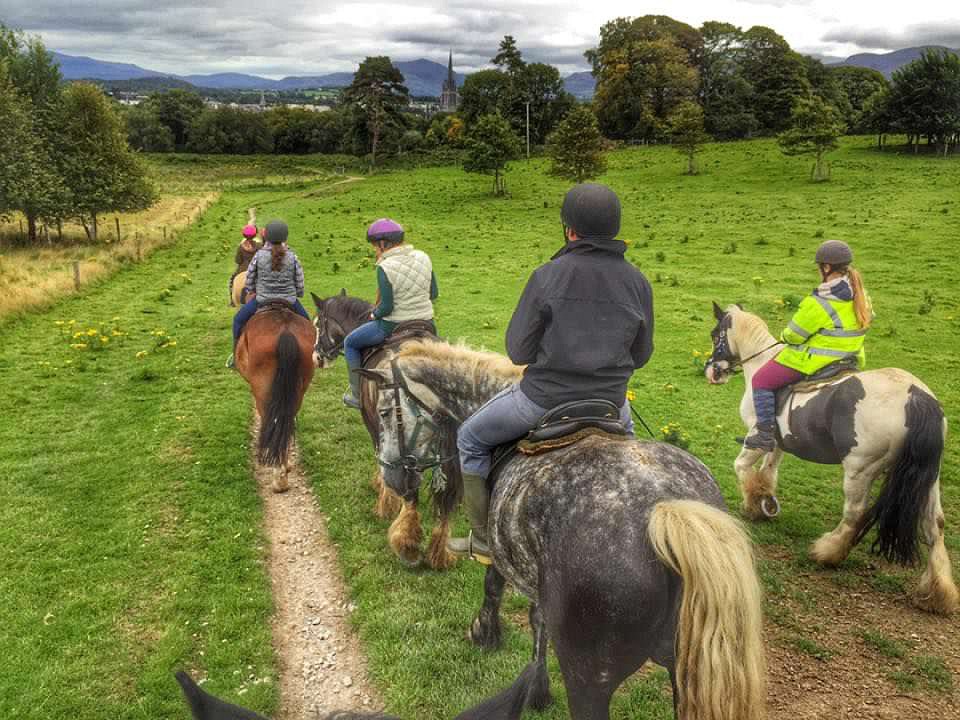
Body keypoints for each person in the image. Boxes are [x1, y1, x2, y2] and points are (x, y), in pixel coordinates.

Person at [448, 183, 654, 559]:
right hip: (611, 405)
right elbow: (641, 355)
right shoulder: (638, 281)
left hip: (542, 401)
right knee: (636, 459)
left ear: (569, 230)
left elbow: (518, 350)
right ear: (614, 229)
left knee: (469, 439)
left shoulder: (547, 275)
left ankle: (482, 540)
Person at [743, 239, 872, 451]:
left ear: (826, 267)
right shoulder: (861, 295)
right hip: (852, 357)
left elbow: (793, 335)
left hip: (817, 361)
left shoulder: (819, 302)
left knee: (761, 380)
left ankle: (765, 435)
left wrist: (784, 335)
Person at [342, 218, 439, 408]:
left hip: (392, 324)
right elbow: (433, 293)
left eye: (374, 247)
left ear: (382, 244)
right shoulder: (423, 256)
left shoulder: (385, 267)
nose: (375, 251)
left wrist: (374, 315)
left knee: (350, 343)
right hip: (426, 322)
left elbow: (387, 307)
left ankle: (357, 395)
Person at [226, 220, 310, 368]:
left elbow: (250, 278)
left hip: (262, 300)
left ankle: (235, 357)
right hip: (289, 300)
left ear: (267, 237)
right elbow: (300, 281)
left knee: (238, 321)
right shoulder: (293, 257)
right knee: (308, 324)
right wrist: (298, 293)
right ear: (285, 237)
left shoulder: (259, 256)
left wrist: (251, 290)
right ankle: (312, 354)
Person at [229, 224, 261, 303]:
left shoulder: (241, 247)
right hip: (256, 269)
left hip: (243, 269)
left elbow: (238, 260)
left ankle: (232, 300)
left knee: (232, 280)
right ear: (254, 235)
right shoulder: (259, 245)